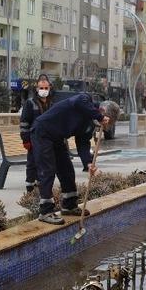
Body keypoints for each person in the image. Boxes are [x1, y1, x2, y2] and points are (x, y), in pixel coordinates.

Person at [30, 94, 120, 224]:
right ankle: (45, 211)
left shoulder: (90, 124)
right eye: (107, 121)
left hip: (58, 138)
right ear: (103, 112)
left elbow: (83, 143)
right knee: (47, 170)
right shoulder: (85, 100)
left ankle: (69, 205)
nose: (105, 125)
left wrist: (88, 163)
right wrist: (99, 117)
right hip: (42, 132)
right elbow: (78, 101)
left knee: (67, 169)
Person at [20, 74, 55, 192]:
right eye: (41, 88)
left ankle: (42, 184)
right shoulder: (30, 103)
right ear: (37, 89)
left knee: (45, 163)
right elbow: (24, 122)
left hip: (47, 139)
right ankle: (30, 185)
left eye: (46, 88)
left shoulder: (51, 103)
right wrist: (25, 140)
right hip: (33, 139)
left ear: (49, 88)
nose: (44, 91)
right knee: (32, 162)